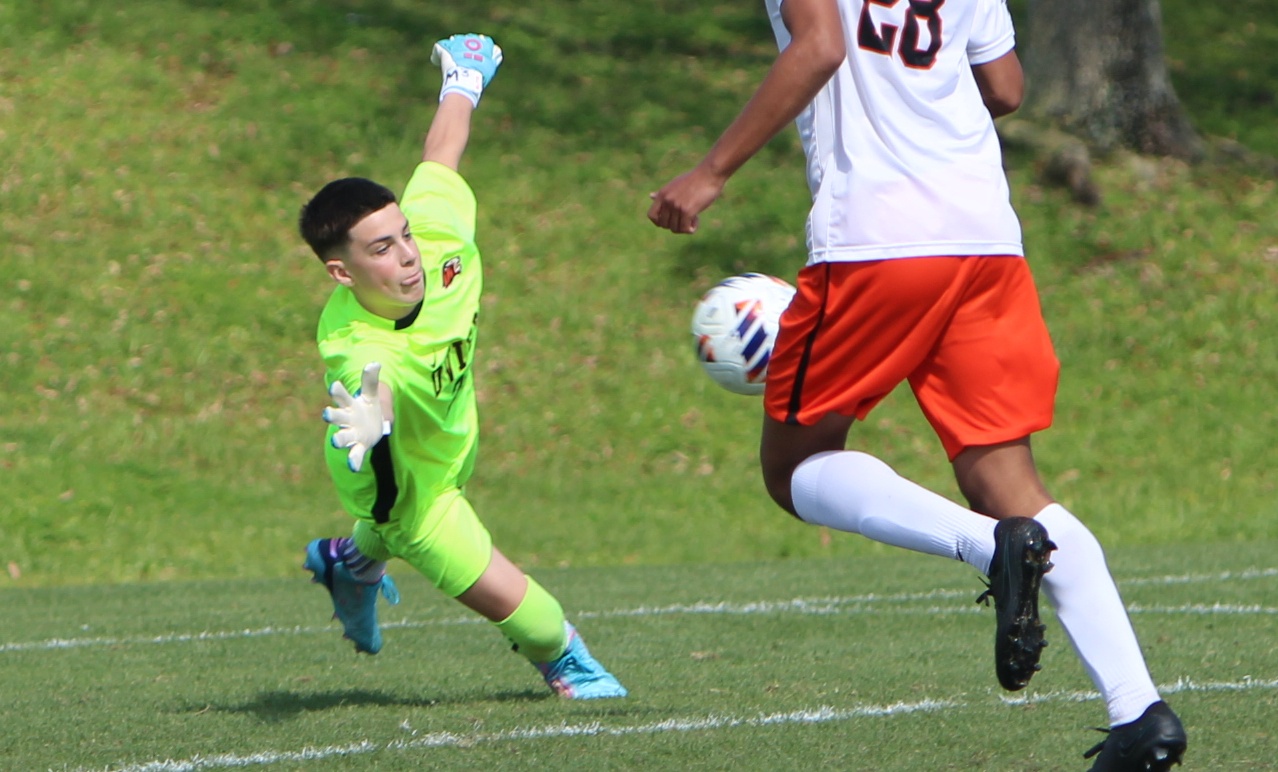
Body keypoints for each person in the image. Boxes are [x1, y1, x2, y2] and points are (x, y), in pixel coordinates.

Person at [647, 0, 1185, 768]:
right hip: (985, 238)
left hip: (877, 237)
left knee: (795, 466)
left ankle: (988, 549)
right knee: (1010, 479)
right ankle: (1139, 712)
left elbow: (821, 46)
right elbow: (1004, 86)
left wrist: (710, 173)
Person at [297, 33, 626, 701]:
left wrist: (463, 80)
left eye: (405, 235)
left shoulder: (438, 238)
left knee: (430, 199)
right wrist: (369, 418)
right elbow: (374, 388)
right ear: (342, 271)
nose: (409, 256)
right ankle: (570, 667)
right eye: (382, 250)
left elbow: (440, 155)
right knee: (537, 618)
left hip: (449, 443)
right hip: (404, 494)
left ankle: (347, 565)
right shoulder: (356, 341)